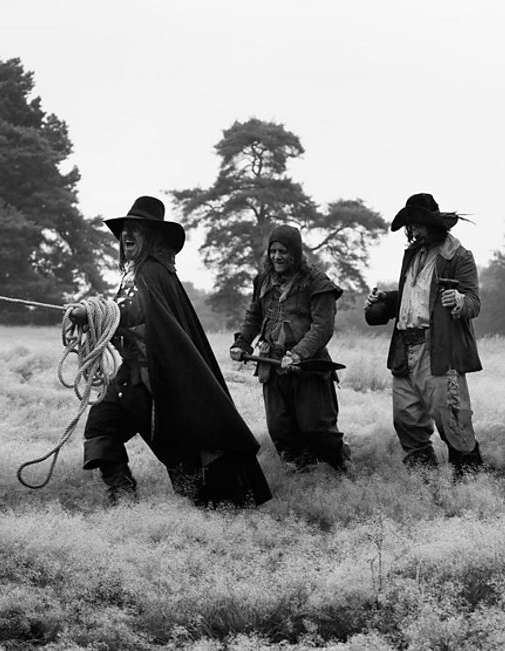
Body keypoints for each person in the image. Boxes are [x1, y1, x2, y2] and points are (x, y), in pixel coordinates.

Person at [69, 196, 272, 507]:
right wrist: (96, 316)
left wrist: (95, 312)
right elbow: (127, 316)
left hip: (157, 381)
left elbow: (135, 311)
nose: (127, 234)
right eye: (125, 229)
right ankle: (122, 497)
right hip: (131, 376)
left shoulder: (152, 272)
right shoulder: (136, 273)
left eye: (136, 228)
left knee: (186, 456)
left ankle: (214, 507)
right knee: (101, 427)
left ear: (152, 236)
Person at [364, 192, 485, 477]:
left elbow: (474, 303)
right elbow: (416, 297)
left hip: (439, 351)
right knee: (406, 421)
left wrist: (459, 300)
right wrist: (387, 299)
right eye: (411, 225)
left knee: (453, 421)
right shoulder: (413, 254)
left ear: (433, 224)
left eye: (418, 224)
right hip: (404, 350)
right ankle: (425, 483)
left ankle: (472, 486)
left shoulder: (458, 256)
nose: (414, 230)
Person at [229, 225, 350, 472]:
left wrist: (297, 354)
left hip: (308, 367)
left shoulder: (317, 282)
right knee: (280, 429)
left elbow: (323, 327)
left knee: (316, 428)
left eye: (283, 251)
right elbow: (254, 316)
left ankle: (342, 468)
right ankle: (302, 476)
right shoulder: (263, 280)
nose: (277, 257)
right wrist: (242, 343)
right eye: (273, 251)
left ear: (295, 252)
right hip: (272, 366)